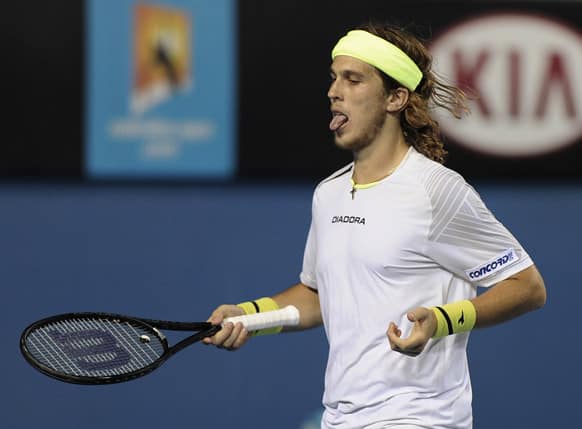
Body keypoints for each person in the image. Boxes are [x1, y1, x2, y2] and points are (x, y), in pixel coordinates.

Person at [203, 22, 547, 429]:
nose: (334, 91)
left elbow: (527, 287)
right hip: (341, 417)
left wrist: (442, 320)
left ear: (396, 98)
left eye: (353, 80)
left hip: (420, 418)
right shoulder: (327, 195)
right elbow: (317, 297)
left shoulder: (436, 191)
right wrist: (249, 315)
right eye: (334, 78)